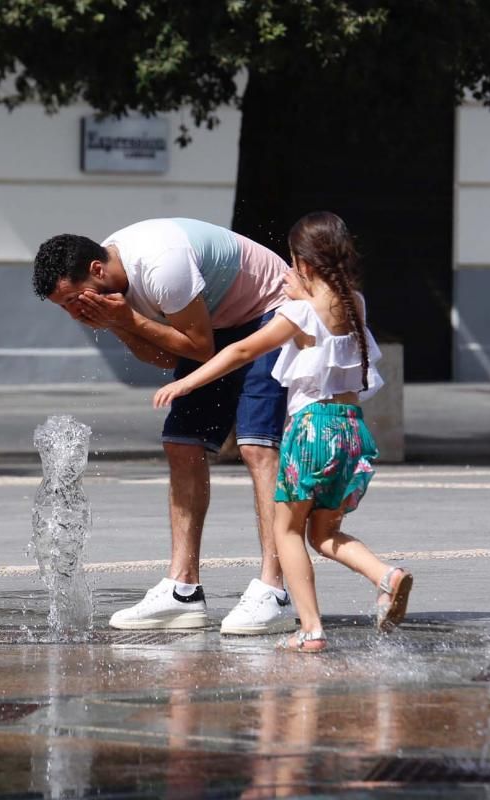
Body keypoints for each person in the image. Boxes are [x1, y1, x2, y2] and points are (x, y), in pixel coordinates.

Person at [153, 211, 413, 652]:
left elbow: (241, 349)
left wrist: (186, 381)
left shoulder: (299, 313)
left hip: (313, 431)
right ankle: (386, 576)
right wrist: (305, 293)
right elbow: (328, 314)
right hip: (352, 432)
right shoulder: (356, 303)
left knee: (286, 532)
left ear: (306, 264)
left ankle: (311, 630)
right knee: (324, 534)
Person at [33, 219, 294, 634]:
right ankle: (183, 590)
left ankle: (274, 590)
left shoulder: (161, 267)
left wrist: (128, 321)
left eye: (72, 299)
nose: (74, 312)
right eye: (63, 307)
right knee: (182, 443)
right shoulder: (114, 291)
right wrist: (117, 323)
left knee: (257, 446)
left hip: (270, 312)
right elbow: (169, 359)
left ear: (97, 271)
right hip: (212, 325)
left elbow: (199, 349)